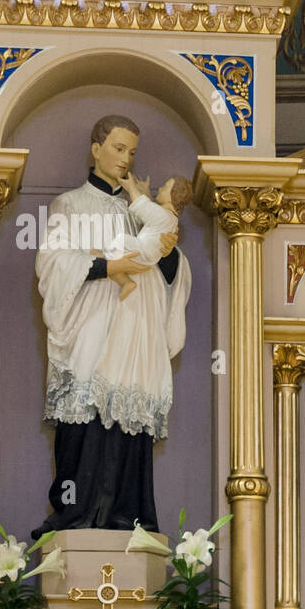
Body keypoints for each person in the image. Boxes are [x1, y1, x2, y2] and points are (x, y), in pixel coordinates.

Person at [33, 115, 192, 537]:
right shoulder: (70, 204)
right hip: (87, 331)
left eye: (133, 152)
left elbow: (173, 270)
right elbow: (51, 263)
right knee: (81, 423)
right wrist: (108, 266)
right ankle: (73, 513)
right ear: (96, 148)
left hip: (133, 334)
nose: (126, 159)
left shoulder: (142, 210)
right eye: (119, 148)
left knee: (126, 423)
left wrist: (167, 247)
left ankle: (128, 515)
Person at [102, 174, 192, 301]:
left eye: (165, 187)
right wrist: (145, 195)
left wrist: (132, 188)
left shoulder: (162, 215)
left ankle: (125, 281)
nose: (159, 189)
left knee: (115, 245)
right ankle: (124, 280)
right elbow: (151, 216)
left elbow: (142, 207)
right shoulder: (172, 219)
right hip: (149, 255)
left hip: (143, 253)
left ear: (173, 195)